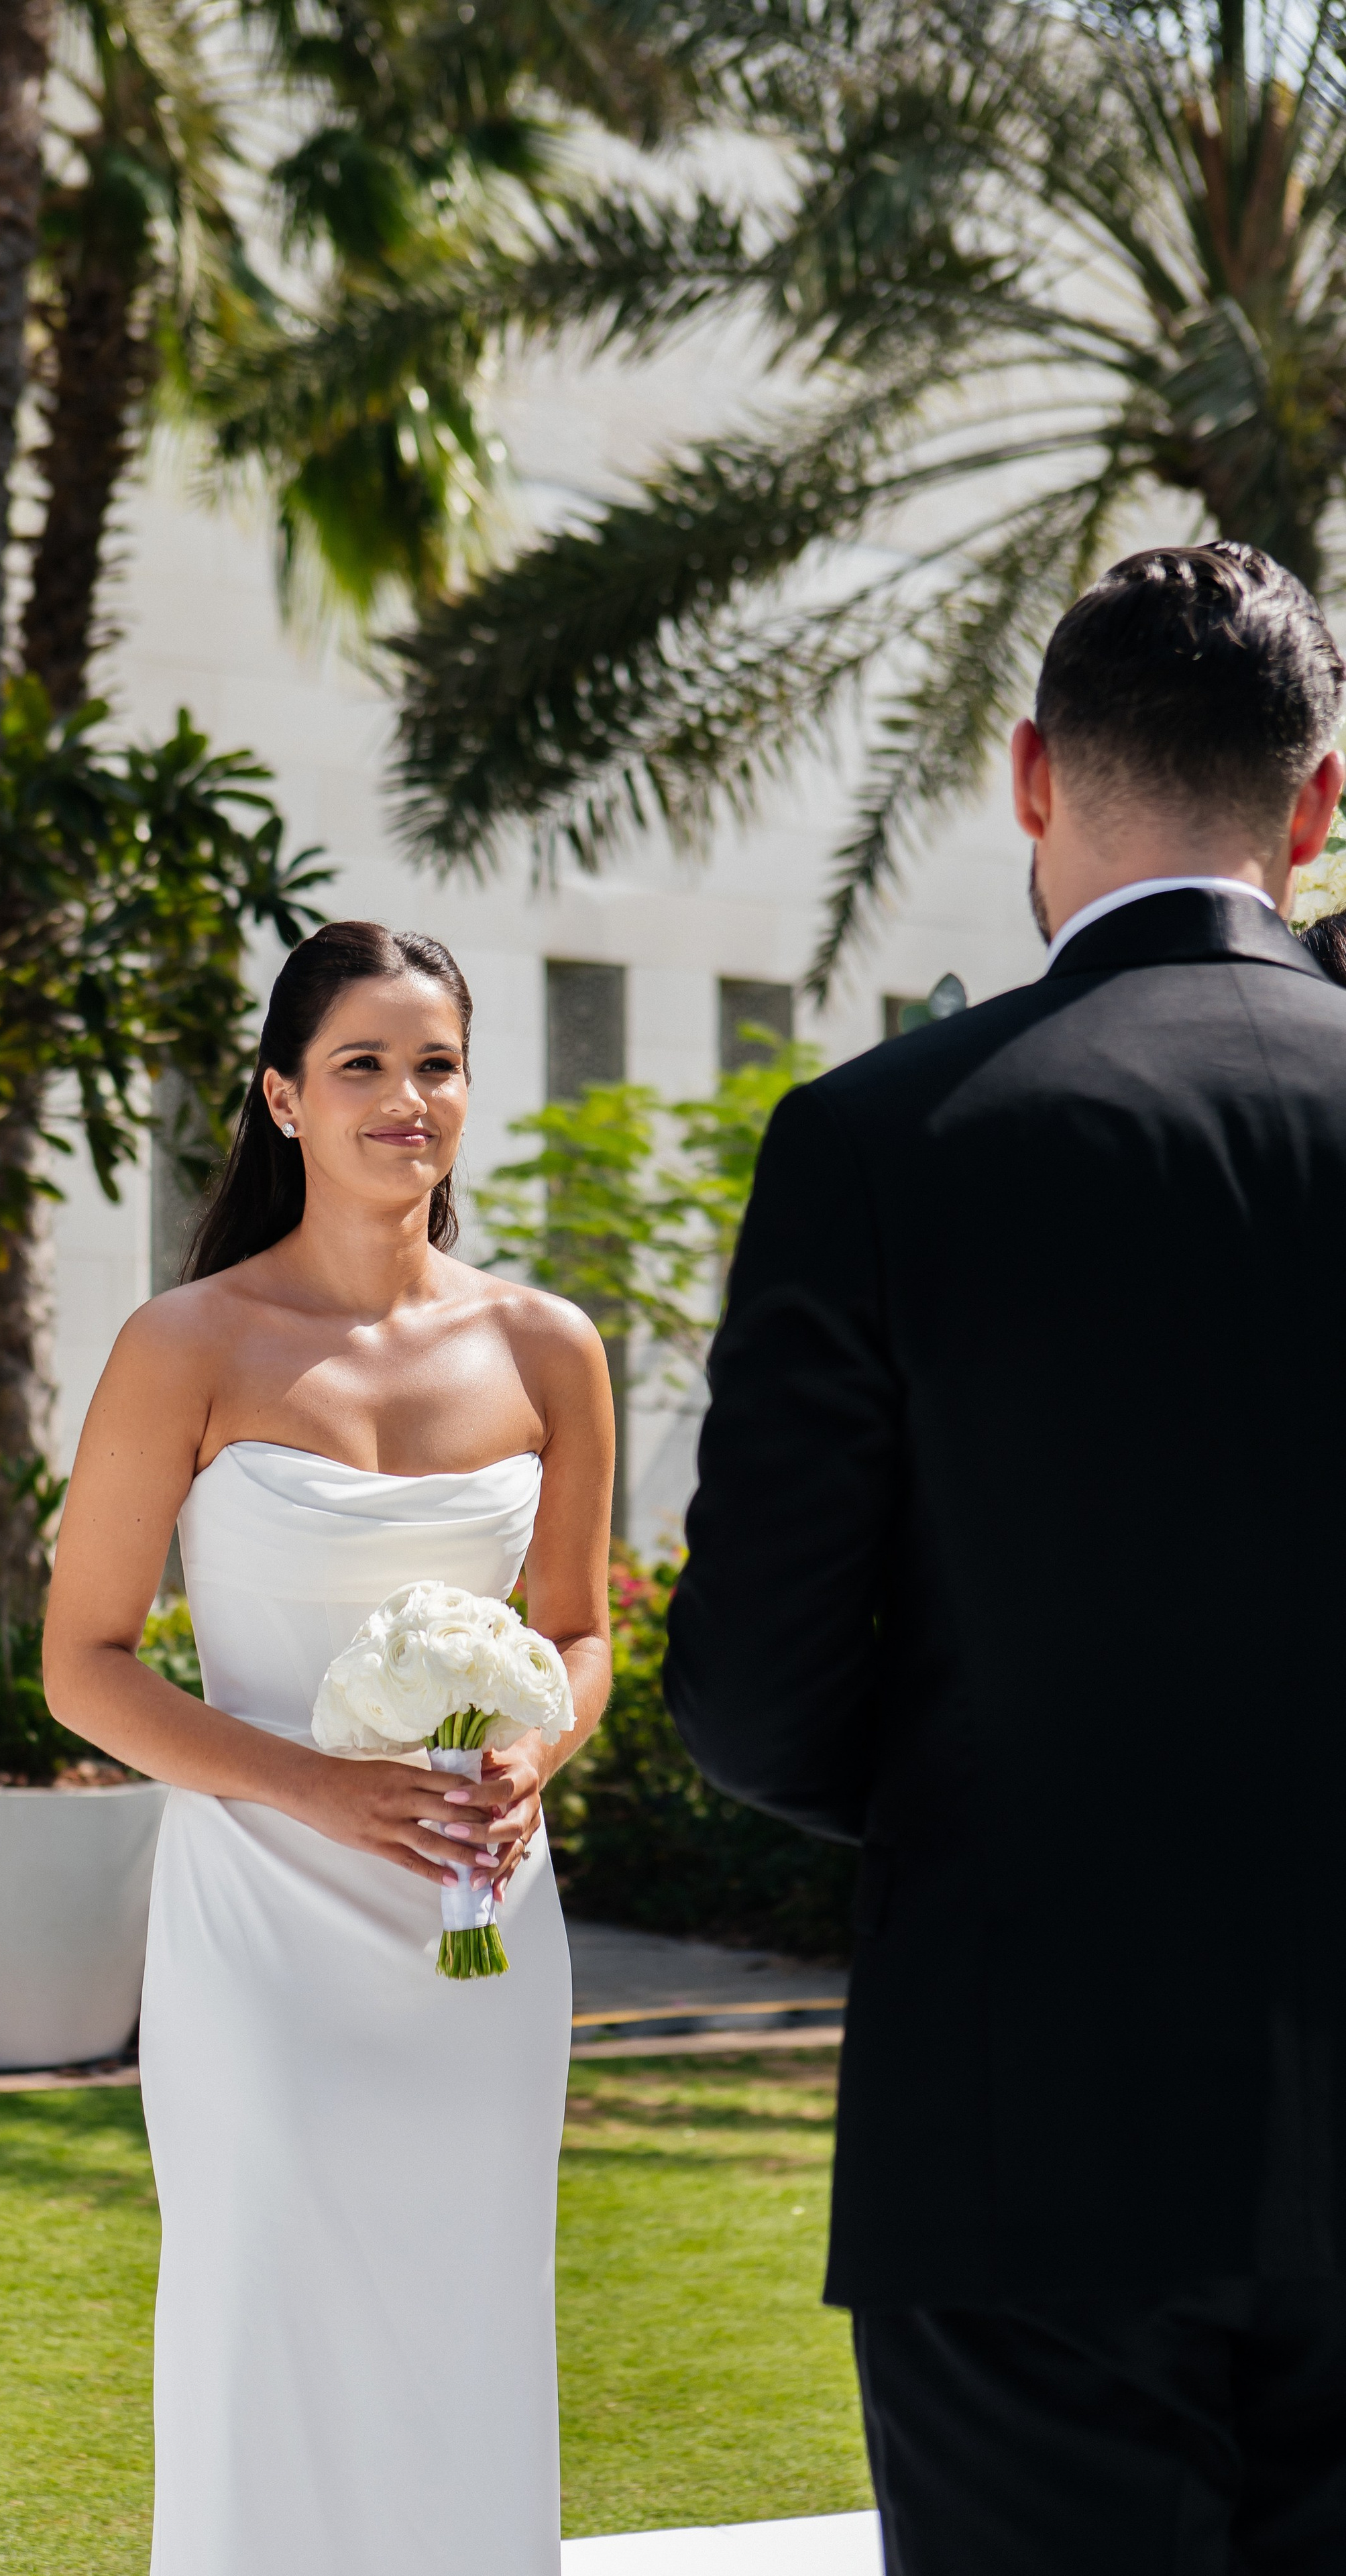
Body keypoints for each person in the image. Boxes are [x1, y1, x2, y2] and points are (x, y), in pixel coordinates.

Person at [665, 543, 1346, 2571]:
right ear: (1319, 806)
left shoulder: (882, 1139)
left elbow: (753, 1687)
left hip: (1022, 2106)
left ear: (1032, 774)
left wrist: (994, 1804)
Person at [43, 921, 614, 2576]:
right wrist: (316, 1786)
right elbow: (81, 1668)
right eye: (360, 1063)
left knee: (469, 2314)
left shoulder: (543, 1345)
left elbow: (576, 1631)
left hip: (483, 1926)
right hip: (262, 1934)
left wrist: (531, 1757)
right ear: (282, 1098)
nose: (405, 1097)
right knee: (270, 2312)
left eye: (433, 1062)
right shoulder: (185, 1345)